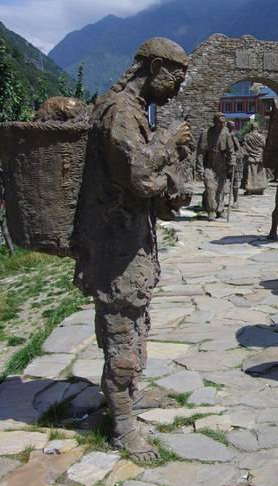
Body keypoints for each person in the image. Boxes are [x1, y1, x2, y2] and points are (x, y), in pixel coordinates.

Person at [72, 37, 192, 460]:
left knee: (134, 322)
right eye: (175, 77)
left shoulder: (135, 110)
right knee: (121, 330)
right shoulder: (120, 111)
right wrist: (168, 142)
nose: (177, 87)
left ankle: (129, 397)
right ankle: (122, 423)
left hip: (129, 241)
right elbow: (139, 176)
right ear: (155, 66)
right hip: (114, 246)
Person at [196, 112, 236, 220]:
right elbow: (200, 153)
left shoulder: (226, 134)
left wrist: (232, 161)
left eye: (223, 123)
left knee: (221, 189)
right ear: (215, 122)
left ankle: (220, 209)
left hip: (221, 165)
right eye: (219, 123)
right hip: (209, 165)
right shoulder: (206, 133)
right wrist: (200, 168)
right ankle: (211, 210)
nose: (222, 125)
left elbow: (231, 150)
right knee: (210, 188)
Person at [242, 120, 268, 195]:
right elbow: (264, 146)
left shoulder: (247, 136)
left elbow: (244, 148)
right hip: (260, 157)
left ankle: (250, 189)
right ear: (257, 128)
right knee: (260, 174)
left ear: (251, 128)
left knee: (250, 174)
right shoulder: (262, 137)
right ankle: (260, 189)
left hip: (251, 157)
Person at [227, 120, 243, 209]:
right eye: (230, 126)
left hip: (233, 161)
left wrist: (233, 157)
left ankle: (235, 200)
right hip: (224, 161)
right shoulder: (224, 134)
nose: (231, 127)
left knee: (235, 183)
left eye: (232, 126)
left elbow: (238, 149)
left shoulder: (233, 136)